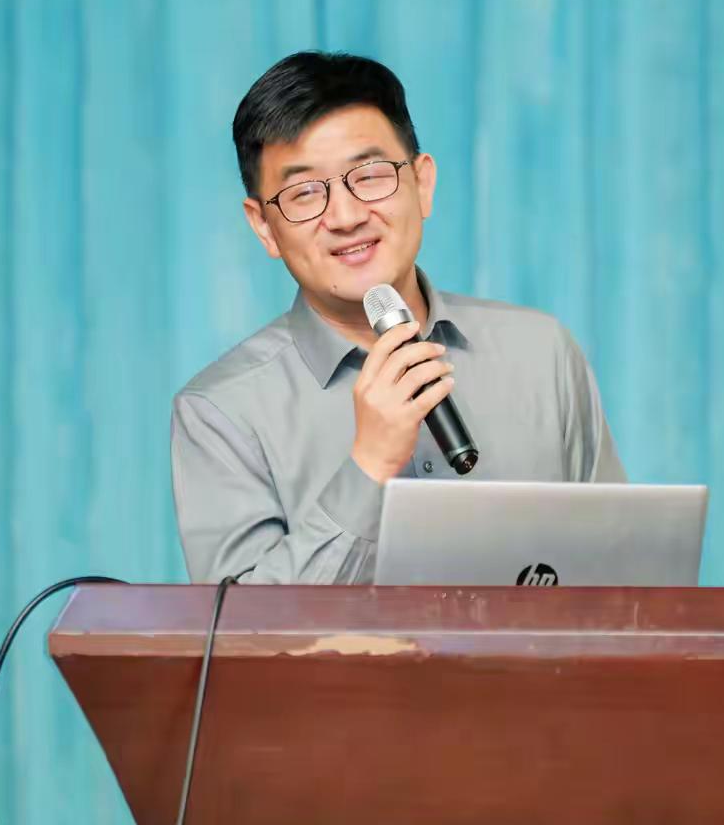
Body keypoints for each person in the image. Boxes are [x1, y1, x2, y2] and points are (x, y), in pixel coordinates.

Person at [171, 51, 624, 584]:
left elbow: (626, 580)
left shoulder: (541, 355)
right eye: (304, 193)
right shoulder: (220, 412)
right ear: (265, 227)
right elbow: (239, 631)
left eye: (369, 175)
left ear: (422, 183)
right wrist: (368, 466)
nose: (346, 216)